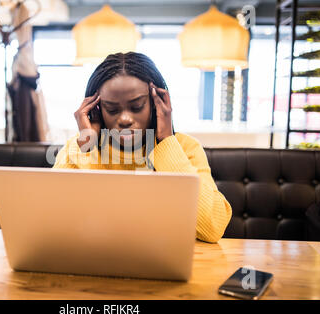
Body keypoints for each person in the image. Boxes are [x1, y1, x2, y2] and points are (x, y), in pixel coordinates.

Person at [52, 52, 232, 243]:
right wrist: (86, 148)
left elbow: (212, 227)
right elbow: (49, 218)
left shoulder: (186, 148)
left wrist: (166, 143)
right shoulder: (80, 147)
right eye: (112, 109)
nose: (125, 119)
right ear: (96, 110)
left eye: (137, 106)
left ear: (156, 104)